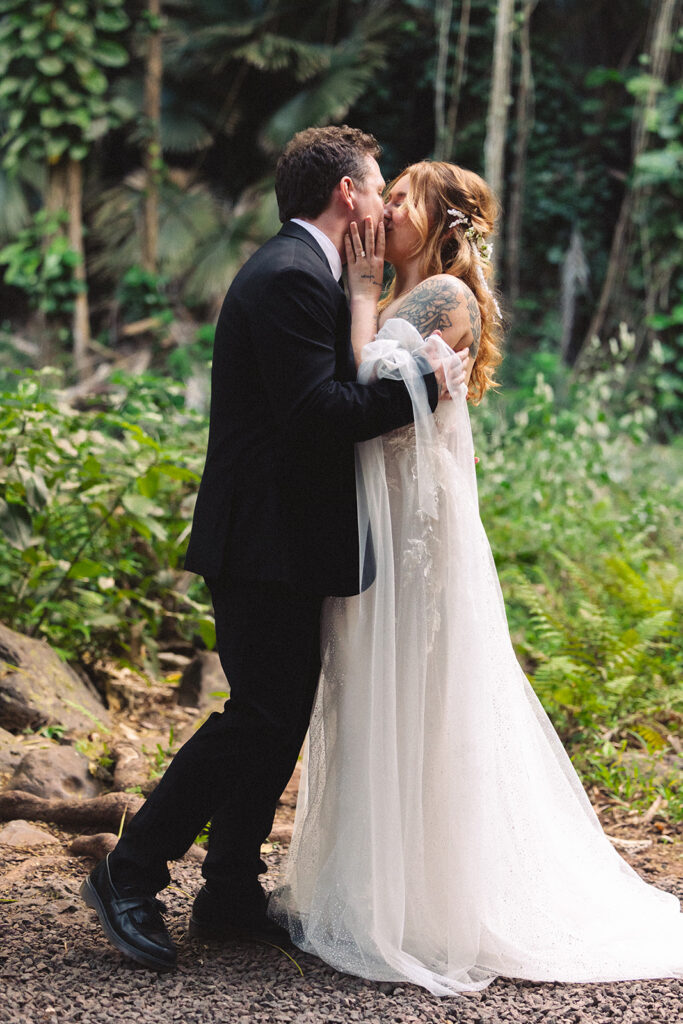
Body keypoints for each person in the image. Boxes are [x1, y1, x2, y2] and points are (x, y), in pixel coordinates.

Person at [267, 160, 683, 995]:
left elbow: (357, 385)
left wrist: (357, 293)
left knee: (415, 694)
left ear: (444, 221)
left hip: (419, 536)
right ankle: (380, 882)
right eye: (383, 194)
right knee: (375, 691)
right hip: (389, 525)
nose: (384, 208)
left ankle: (428, 902)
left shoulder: (443, 300)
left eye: (401, 199)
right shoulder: (399, 300)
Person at [79, 128, 468, 971]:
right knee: (256, 715)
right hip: (261, 540)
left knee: (278, 716)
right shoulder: (291, 277)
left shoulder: (315, 276)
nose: (384, 201)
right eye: (377, 187)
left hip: (289, 540)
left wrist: (370, 306)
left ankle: (228, 891)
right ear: (345, 196)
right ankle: (130, 872)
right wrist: (424, 390)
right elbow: (317, 414)